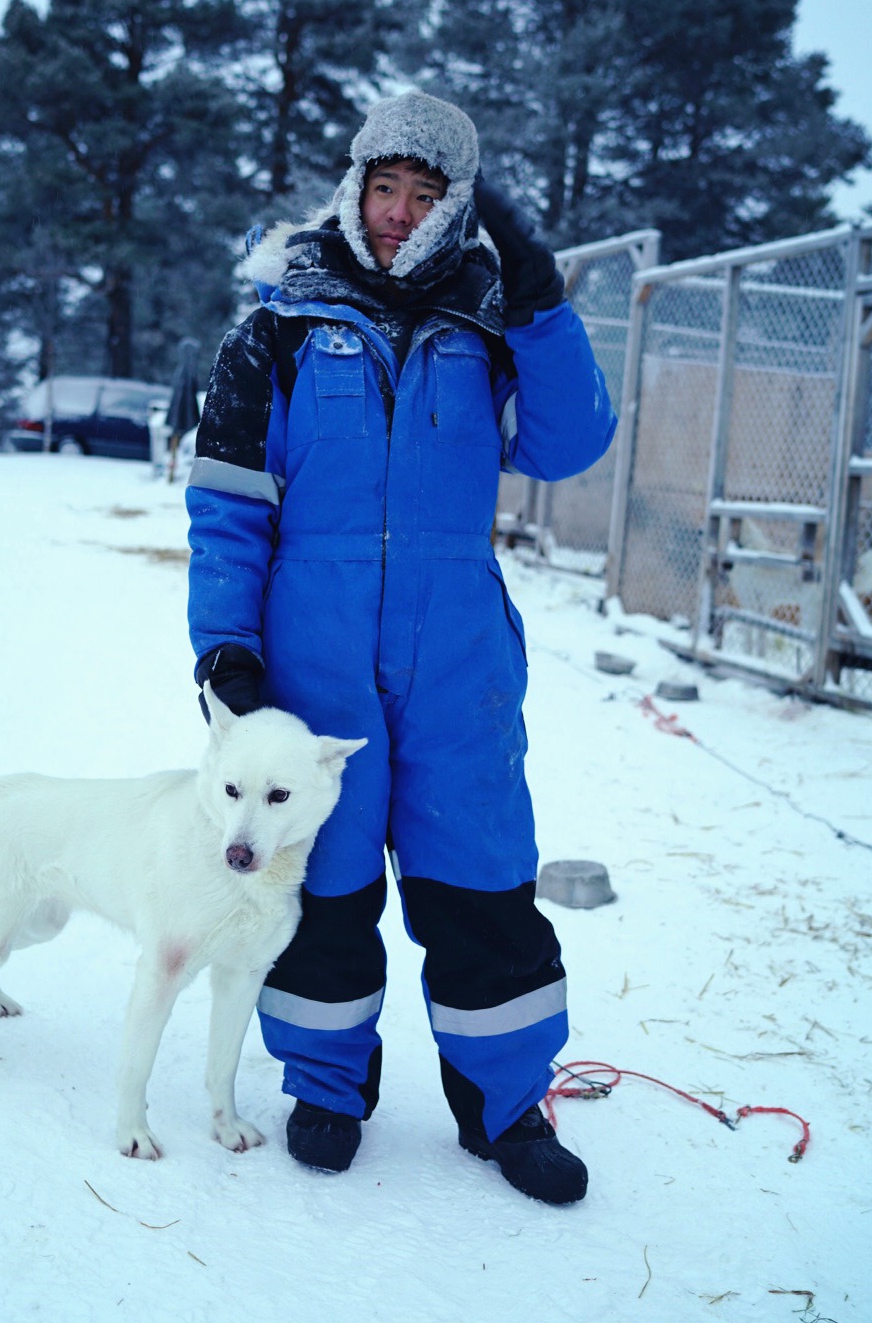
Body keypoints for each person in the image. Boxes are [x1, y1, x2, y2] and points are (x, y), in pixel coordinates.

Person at [185, 92, 615, 1204]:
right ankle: (325, 1083)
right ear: (356, 184)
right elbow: (229, 503)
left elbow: (572, 443)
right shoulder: (276, 321)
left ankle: (510, 1106)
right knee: (319, 880)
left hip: (457, 652)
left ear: (456, 207)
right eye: (386, 187)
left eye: (426, 195)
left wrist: (541, 301)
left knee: (480, 875)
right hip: (311, 652)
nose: (398, 213)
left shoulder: (490, 319)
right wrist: (227, 650)